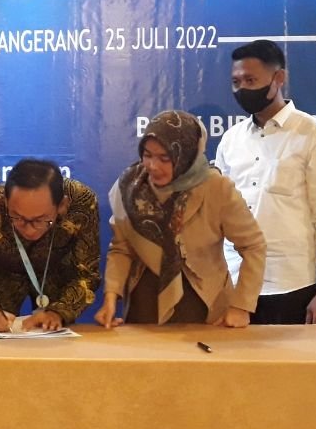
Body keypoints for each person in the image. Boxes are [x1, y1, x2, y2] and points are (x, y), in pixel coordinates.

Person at [96, 110, 265, 328]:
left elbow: (253, 246)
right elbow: (122, 248)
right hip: (144, 304)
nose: (153, 166)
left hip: (204, 305)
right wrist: (111, 297)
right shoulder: (130, 187)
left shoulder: (216, 187)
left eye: (164, 158)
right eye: (147, 155)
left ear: (185, 155)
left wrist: (241, 306)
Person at [215, 39, 316, 324]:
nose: (242, 89)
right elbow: (219, 215)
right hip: (235, 283)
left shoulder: (314, 135)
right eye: (236, 82)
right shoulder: (230, 140)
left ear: (279, 78)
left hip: (292, 285)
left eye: (251, 80)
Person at [0, 159, 100, 331]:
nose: (30, 230)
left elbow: (87, 275)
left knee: (53, 335)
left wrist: (60, 312)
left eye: (40, 220)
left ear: (62, 205)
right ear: (6, 202)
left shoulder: (80, 202)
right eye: (17, 217)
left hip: (55, 270)